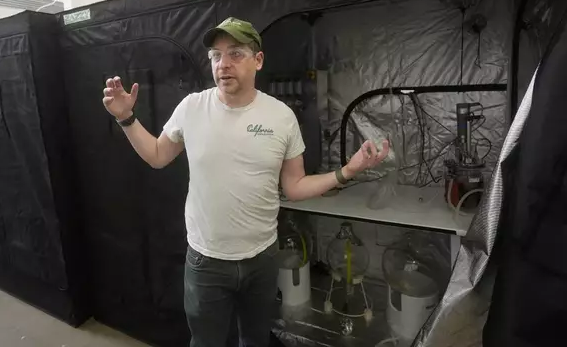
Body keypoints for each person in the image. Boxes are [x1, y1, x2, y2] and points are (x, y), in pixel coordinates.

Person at [102, 17, 389, 347]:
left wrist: (347, 171)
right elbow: (156, 155)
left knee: (255, 339)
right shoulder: (192, 108)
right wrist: (126, 118)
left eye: (236, 53)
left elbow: (294, 186)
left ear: (258, 60)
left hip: (262, 260)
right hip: (206, 261)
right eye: (216, 55)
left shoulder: (281, 117)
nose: (223, 64)